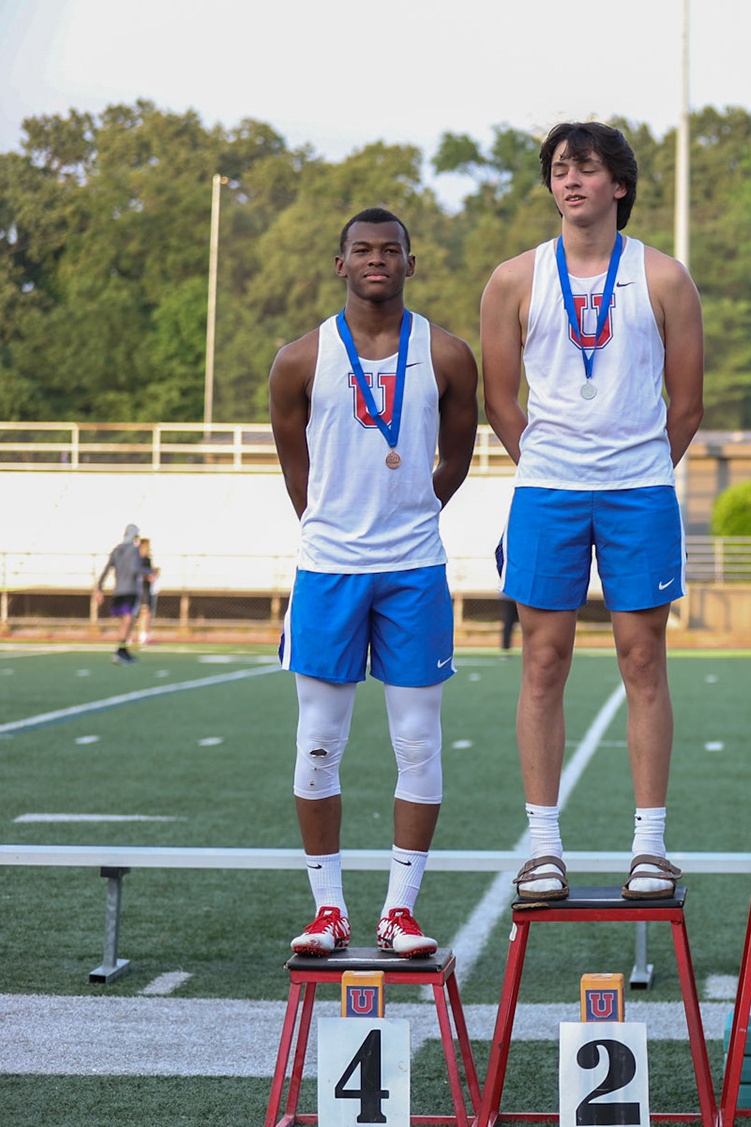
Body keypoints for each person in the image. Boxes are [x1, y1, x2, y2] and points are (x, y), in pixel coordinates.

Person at [479, 122, 705, 901]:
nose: (571, 180)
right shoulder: (513, 279)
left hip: (640, 489)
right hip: (547, 489)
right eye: (560, 169)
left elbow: (689, 404)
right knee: (543, 662)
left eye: (587, 168)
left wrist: (635, 464)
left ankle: (649, 845)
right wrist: (550, 463)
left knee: (643, 662)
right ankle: (544, 847)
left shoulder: (665, 278)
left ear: (620, 185)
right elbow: (501, 400)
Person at [268, 207, 479, 957]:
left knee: (418, 743)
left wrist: (410, 515)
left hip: (415, 568)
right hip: (328, 569)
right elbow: (300, 474)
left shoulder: (448, 354)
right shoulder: (299, 360)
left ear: (410, 264)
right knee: (319, 743)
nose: (377, 260)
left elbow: (454, 460)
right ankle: (329, 911)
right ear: (341, 264)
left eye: (390, 250)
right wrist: (338, 526)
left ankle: (400, 911)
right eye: (362, 250)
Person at [93, 525, 146, 663]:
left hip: (118, 590)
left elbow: (106, 569)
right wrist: (149, 572)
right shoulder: (133, 550)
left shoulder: (117, 550)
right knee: (129, 619)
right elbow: (135, 568)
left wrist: (99, 587)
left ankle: (122, 650)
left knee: (124, 620)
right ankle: (121, 649)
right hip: (130, 589)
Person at [135, 538, 159, 646]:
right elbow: (138, 574)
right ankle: (141, 636)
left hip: (147, 588)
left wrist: (154, 573)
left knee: (147, 612)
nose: (149, 549)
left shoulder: (148, 559)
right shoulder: (138, 559)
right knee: (143, 612)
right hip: (140, 588)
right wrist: (148, 575)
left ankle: (145, 634)